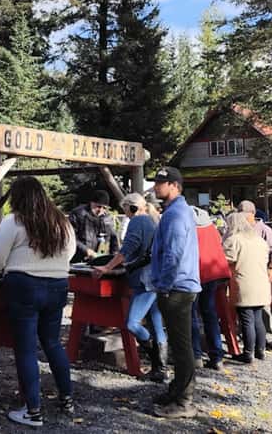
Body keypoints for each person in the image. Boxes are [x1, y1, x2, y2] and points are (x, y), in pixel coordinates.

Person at [0, 177, 76, 428]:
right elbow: (70, 253)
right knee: (52, 343)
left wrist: (4, 268)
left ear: (17, 197)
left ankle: (33, 410)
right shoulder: (62, 221)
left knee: (25, 348)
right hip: (58, 284)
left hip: (24, 285)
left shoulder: (14, 221)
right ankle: (67, 398)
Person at [93, 193, 166, 382]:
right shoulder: (153, 220)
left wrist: (107, 267)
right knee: (156, 323)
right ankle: (161, 369)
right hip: (155, 277)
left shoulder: (137, 221)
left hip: (144, 279)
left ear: (131, 208)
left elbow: (127, 249)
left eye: (125, 210)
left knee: (132, 323)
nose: (124, 214)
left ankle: (156, 361)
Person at [149, 167, 201, 419]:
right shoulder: (176, 211)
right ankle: (177, 390)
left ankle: (184, 402)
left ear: (174, 186)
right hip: (179, 285)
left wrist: (165, 285)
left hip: (177, 288)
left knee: (181, 347)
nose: (157, 187)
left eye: (162, 183)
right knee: (181, 344)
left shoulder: (176, 214)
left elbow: (174, 253)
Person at [223, 212, 272, 364]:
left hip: (244, 284)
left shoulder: (234, 240)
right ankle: (260, 350)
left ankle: (248, 352)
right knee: (258, 318)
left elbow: (225, 259)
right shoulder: (260, 241)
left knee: (246, 319)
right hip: (261, 284)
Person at [236, 200, 272, 351]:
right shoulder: (238, 229)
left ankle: (268, 338)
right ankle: (247, 339)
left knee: (263, 309)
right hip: (243, 274)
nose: (243, 218)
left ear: (253, 214)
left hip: (261, 273)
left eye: (246, 215)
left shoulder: (264, 230)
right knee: (246, 312)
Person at [191, 206, 232, 370]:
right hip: (213, 273)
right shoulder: (211, 228)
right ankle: (217, 356)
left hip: (196, 274)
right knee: (210, 314)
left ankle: (196, 356)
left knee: (192, 315)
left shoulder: (190, 229)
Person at [68, 189, 119, 263]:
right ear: (91, 203)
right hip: (80, 258)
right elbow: (71, 237)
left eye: (104, 208)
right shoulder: (78, 214)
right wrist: (86, 250)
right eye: (98, 207)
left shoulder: (108, 218)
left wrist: (114, 259)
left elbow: (113, 240)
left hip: (100, 259)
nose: (100, 210)